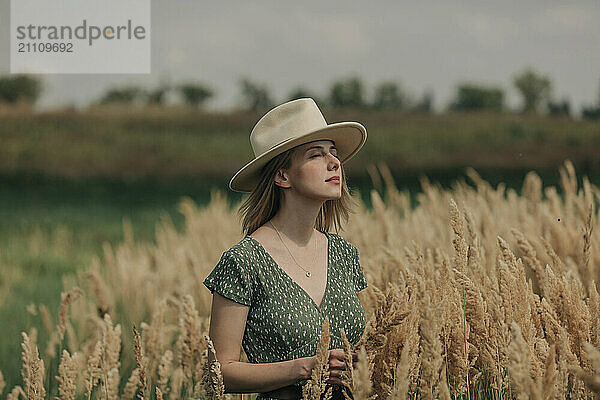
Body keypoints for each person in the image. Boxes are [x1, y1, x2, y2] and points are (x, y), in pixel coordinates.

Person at [203, 98, 369, 400]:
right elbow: (219, 372)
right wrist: (306, 368)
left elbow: (361, 348)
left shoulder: (344, 253)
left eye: (334, 152)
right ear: (282, 176)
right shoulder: (244, 261)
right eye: (315, 155)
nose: (334, 162)